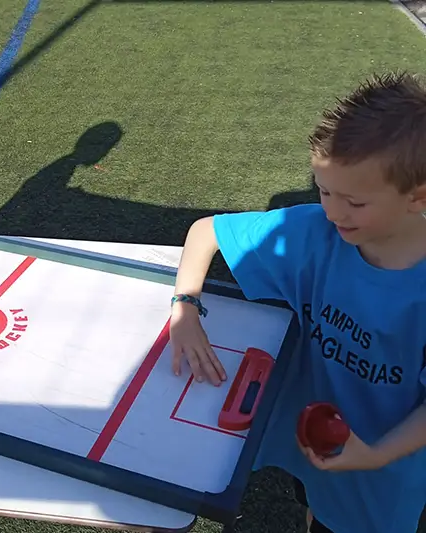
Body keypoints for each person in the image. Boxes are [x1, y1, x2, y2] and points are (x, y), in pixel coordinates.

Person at [168, 71, 426, 533]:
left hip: (381, 469)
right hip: (316, 438)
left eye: (353, 201)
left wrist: (378, 454)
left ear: (417, 197)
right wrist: (185, 307)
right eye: (323, 191)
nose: (331, 211)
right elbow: (205, 231)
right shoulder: (314, 232)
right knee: (315, 503)